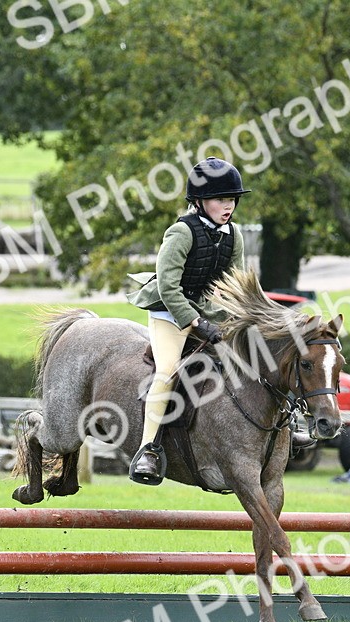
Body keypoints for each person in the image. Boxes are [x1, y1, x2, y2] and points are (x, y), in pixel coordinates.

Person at [123, 157, 250, 485]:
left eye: (232, 199)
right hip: (169, 311)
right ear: (199, 201)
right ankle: (148, 450)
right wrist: (194, 322)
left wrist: (243, 318)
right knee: (167, 371)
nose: (228, 206)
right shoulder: (180, 233)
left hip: (207, 311)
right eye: (220, 199)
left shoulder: (234, 235)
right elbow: (168, 287)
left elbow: (234, 284)